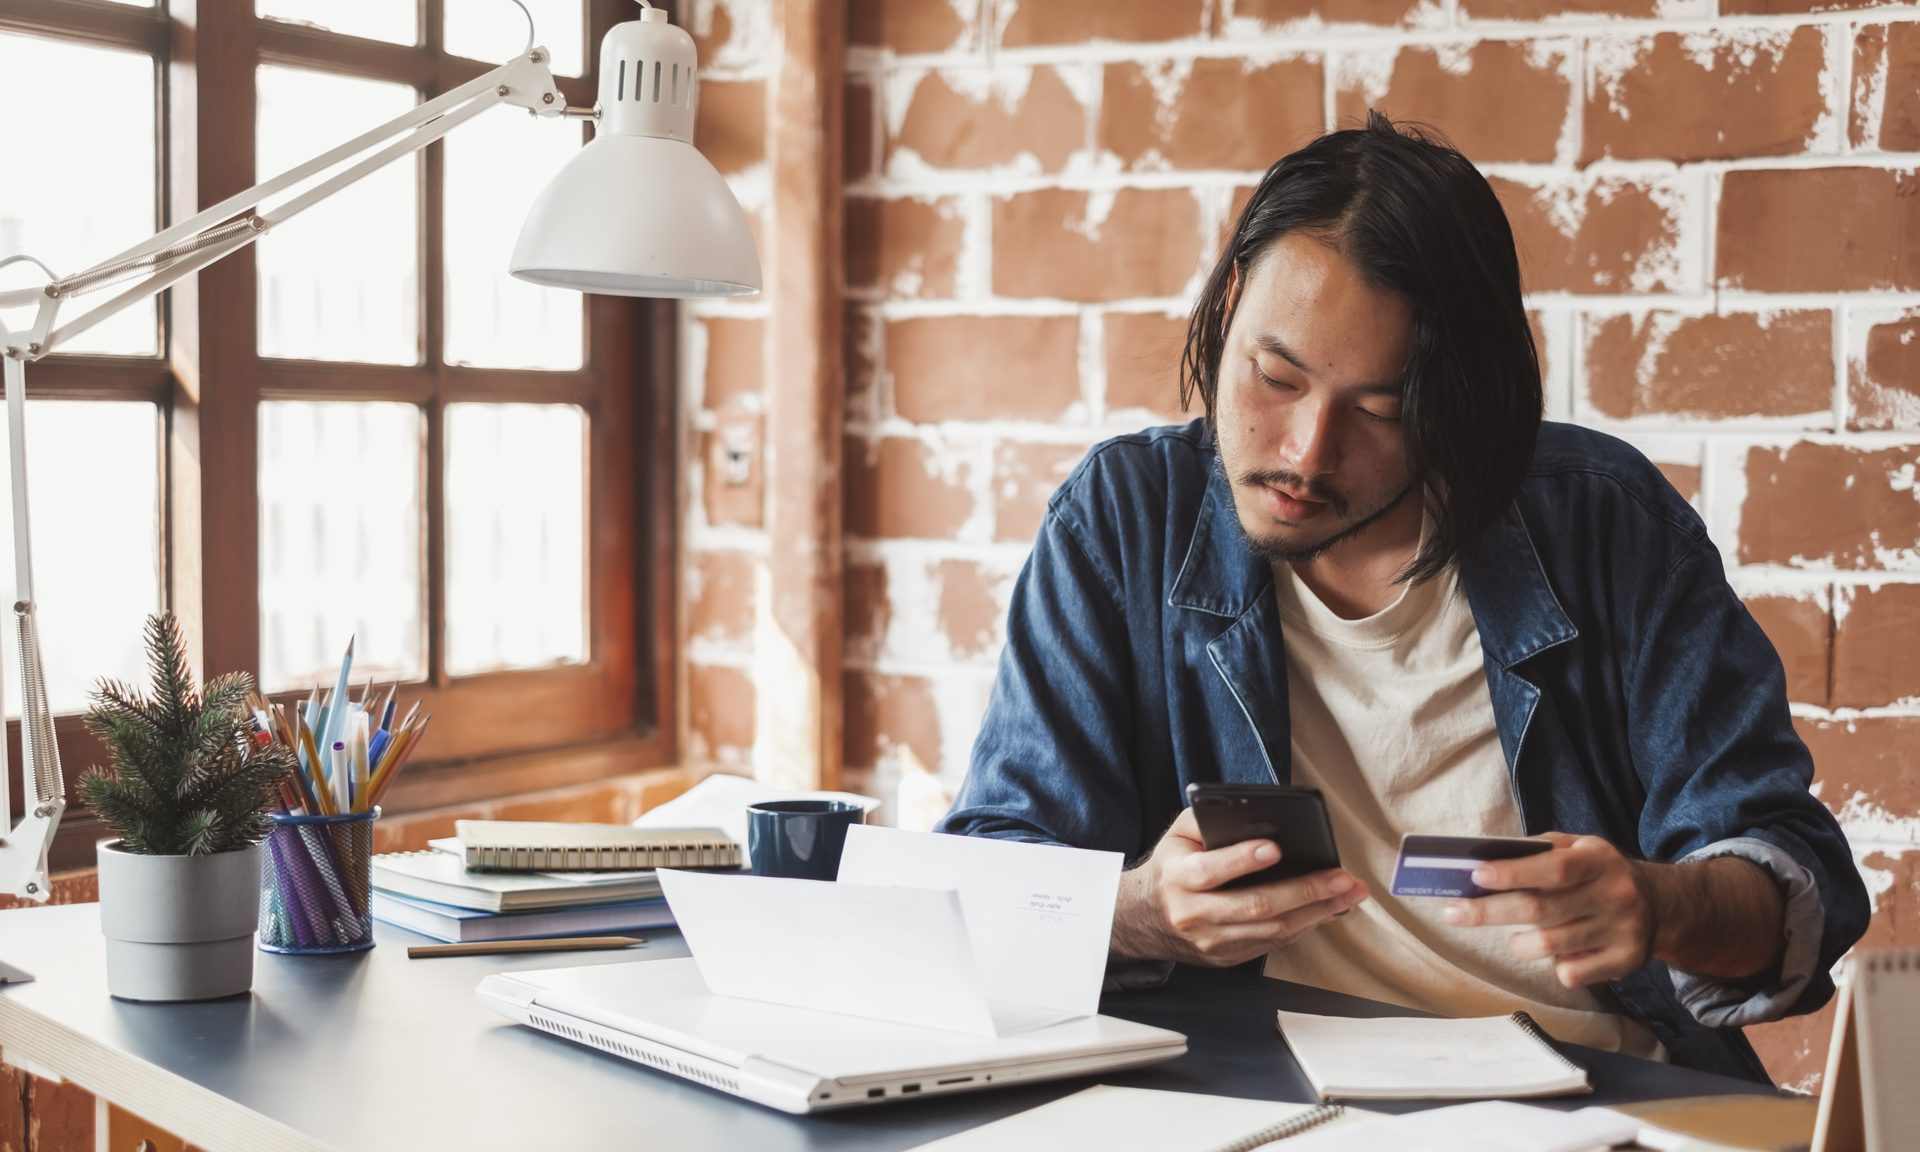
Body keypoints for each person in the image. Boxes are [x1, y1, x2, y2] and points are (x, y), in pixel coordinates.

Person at [937, 112, 1868, 1082]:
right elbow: (994, 885)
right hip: (1245, 1094)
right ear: (1223, 319)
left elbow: (1794, 885)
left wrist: (1658, 904)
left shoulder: (1607, 525)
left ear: (1462, 402)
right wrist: (1142, 917)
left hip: (1592, 1095)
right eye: (1274, 376)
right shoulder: (1124, 521)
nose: (1304, 452)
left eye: (1380, 410)